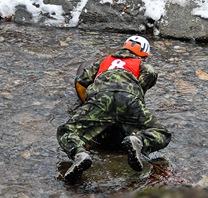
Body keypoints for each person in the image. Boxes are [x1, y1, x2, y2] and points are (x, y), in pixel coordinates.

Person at [57, 35, 171, 181]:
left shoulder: (104, 60)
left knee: (66, 130)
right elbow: (150, 72)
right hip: (129, 100)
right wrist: (138, 88)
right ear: (143, 54)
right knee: (162, 133)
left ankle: (79, 154)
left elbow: (82, 78)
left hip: (101, 99)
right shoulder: (140, 63)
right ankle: (139, 140)